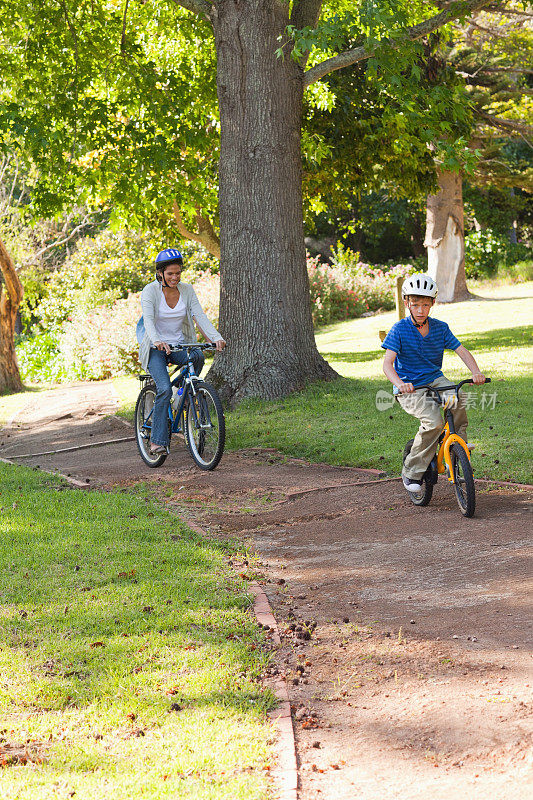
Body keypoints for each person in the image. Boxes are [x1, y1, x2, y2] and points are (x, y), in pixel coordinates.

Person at [381, 273, 486, 492]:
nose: (420, 310)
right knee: (434, 421)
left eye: (425, 305)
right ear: (407, 303)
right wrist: (400, 384)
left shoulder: (440, 327)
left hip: (434, 379)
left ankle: (458, 450)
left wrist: (476, 372)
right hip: (409, 386)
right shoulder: (399, 330)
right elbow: (387, 364)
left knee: (457, 399)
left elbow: (461, 351)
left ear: (432, 304)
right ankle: (411, 471)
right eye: (416, 304)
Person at [137, 248, 225, 454]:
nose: (175, 277)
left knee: (197, 356)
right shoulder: (150, 291)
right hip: (155, 347)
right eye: (170, 274)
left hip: (179, 345)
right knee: (164, 389)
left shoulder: (186, 289)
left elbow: (199, 315)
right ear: (160, 274)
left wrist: (216, 337)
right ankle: (157, 441)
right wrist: (158, 341)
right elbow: (148, 320)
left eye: (178, 273)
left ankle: (182, 394)